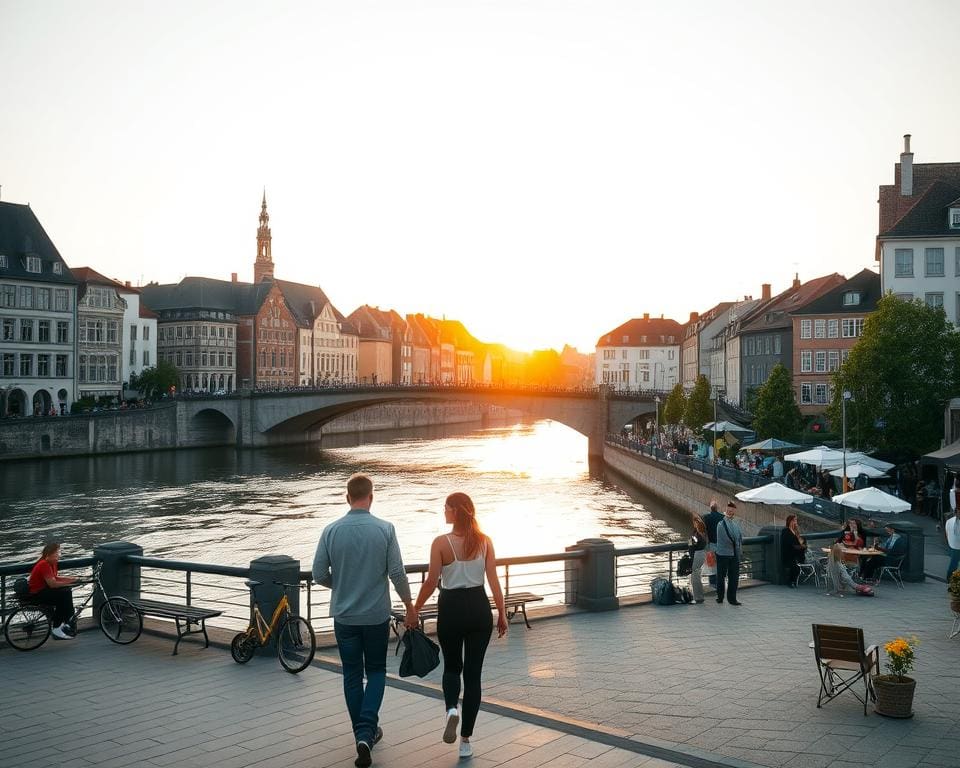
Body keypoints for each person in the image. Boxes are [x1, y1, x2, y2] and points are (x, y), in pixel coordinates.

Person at [313, 474, 416, 768]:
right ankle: (366, 732)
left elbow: (318, 574)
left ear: (347, 498)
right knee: (377, 671)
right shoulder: (385, 529)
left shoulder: (330, 531)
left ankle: (362, 734)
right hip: (375, 616)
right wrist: (409, 606)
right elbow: (396, 573)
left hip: (344, 616)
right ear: (371, 497)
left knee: (351, 675)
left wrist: (343, 584)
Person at [410, 493, 507, 759]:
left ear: (454, 511)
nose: (444, 512)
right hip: (479, 608)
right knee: (473, 675)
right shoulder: (484, 541)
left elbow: (431, 582)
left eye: (446, 508)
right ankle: (465, 741)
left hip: (451, 608)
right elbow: (494, 580)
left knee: (452, 667)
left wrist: (415, 609)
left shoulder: (441, 543)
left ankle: (452, 709)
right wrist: (501, 612)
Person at [27, 542, 77, 640]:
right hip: (37, 593)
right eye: (56, 553)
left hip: (45, 590)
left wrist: (72, 579)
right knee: (63, 596)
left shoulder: (52, 563)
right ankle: (57, 627)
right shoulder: (44, 564)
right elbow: (52, 584)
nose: (58, 555)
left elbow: (55, 578)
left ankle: (67, 619)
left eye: (58, 553)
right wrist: (68, 583)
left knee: (67, 591)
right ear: (48, 555)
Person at [714, 501, 743, 605]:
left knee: (734, 577)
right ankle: (720, 597)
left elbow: (739, 537)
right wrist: (736, 543)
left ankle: (732, 599)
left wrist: (739, 550)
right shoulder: (721, 524)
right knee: (721, 577)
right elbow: (727, 538)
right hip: (723, 554)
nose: (730, 512)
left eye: (732, 510)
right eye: (729, 510)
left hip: (734, 553)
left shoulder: (735, 524)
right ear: (726, 510)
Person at [781, 514, 807, 587]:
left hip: (797, 553)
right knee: (794, 565)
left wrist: (802, 544)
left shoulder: (796, 531)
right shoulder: (785, 531)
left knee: (798, 561)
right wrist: (800, 546)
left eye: (796, 520)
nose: (795, 522)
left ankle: (794, 580)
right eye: (794, 520)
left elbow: (801, 541)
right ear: (790, 521)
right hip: (789, 554)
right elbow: (789, 543)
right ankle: (791, 581)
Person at [702, 499, 724, 587]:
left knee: (711, 565)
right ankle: (720, 583)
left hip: (711, 545)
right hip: (721, 545)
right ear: (717, 508)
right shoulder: (722, 517)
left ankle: (712, 584)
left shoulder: (706, 518)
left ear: (710, 508)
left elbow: (703, 532)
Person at [687, 514, 707, 604]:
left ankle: (698, 598)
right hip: (702, 554)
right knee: (697, 576)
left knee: (695, 577)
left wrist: (691, 557)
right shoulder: (703, 534)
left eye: (694, 523)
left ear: (696, 524)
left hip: (697, 555)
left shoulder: (696, 535)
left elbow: (691, 545)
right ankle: (699, 596)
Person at [945, 497, 960, 584]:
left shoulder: (950, 521)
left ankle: (951, 577)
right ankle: (950, 577)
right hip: (955, 545)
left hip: (954, 545)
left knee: (954, 563)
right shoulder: (952, 522)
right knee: (954, 563)